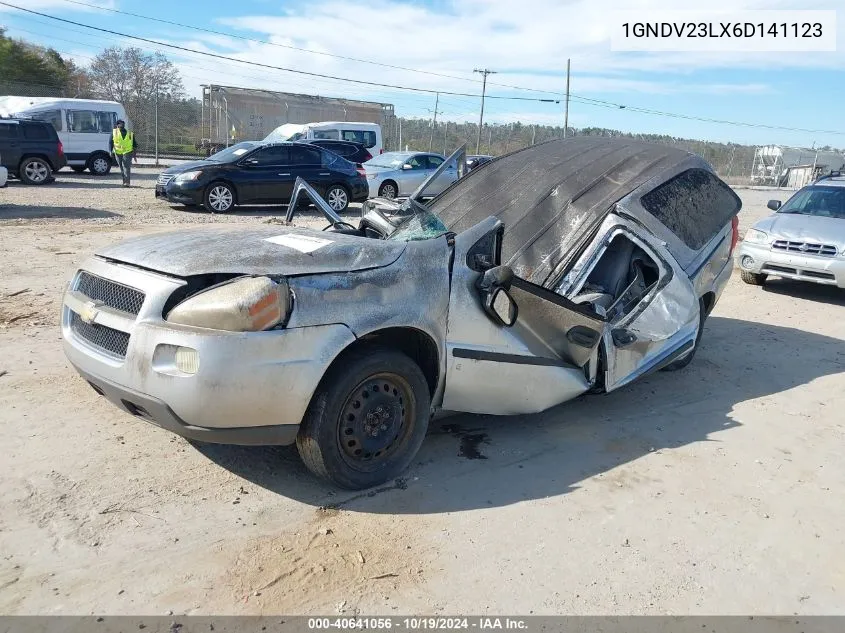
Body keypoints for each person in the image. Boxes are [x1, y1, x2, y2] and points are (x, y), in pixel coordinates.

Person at [110, 120, 139, 187]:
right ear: (117, 125)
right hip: (118, 152)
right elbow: (110, 142)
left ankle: (127, 183)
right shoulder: (114, 132)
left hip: (128, 151)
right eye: (121, 124)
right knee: (121, 167)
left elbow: (134, 144)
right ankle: (124, 181)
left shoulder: (130, 133)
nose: (122, 125)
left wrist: (134, 155)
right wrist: (110, 151)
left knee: (126, 166)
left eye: (123, 124)